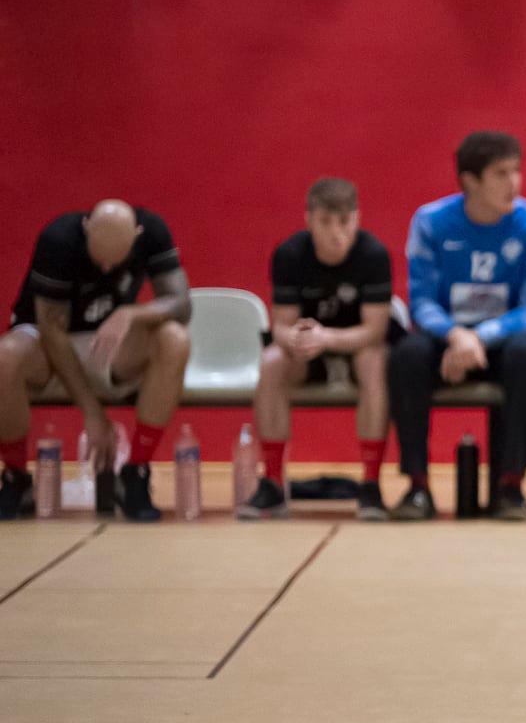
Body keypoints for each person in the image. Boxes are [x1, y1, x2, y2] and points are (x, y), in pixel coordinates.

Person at [389, 131, 526, 522]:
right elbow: (422, 300)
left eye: (516, 171)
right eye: (501, 173)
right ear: (470, 181)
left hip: (504, 338)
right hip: (448, 337)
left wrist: (479, 336)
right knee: (407, 355)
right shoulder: (431, 222)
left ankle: (510, 488)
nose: (513, 182)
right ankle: (417, 488)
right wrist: (456, 335)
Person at [0, 201, 191, 522]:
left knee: (173, 339)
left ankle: (135, 473)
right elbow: (52, 330)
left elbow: (181, 304)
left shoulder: (153, 231)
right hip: (47, 341)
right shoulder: (58, 240)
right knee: (4, 358)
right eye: (98, 258)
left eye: (113, 262)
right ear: (87, 229)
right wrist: (93, 413)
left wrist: (132, 312)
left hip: (106, 341)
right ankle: (16, 477)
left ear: (137, 235)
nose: (104, 269)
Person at [238, 179, 395, 521]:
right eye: (326, 222)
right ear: (308, 220)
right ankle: (275, 484)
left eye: (345, 222)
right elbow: (280, 325)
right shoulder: (290, 254)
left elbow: (375, 330)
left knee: (375, 360)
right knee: (272, 360)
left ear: (358, 219)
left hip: (355, 349)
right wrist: (293, 337)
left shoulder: (373, 254)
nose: (336, 233)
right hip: (308, 354)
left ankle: (370, 484)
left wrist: (328, 338)